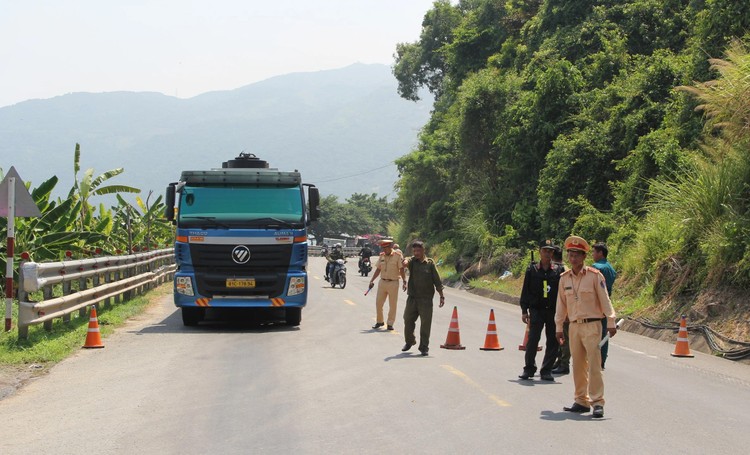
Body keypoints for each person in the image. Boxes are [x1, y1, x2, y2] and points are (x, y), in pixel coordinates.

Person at [555, 236, 617, 418]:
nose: (573, 258)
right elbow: (561, 304)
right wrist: (559, 326)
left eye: (577, 255)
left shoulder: (594, 276)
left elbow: (605, 300)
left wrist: (611, 321)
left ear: (583, 257)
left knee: (594, 365)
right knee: (578, 365)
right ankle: (581, 400)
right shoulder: (564, 279)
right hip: (574, 326)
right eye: (570, 255)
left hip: (592, 325)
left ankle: (597, 402)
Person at [518, 240, 564, 381]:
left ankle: (546, 370)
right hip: (536, 310)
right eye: (545, 250)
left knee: (552, 341)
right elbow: (526, 290)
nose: (547, 253)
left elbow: (563, 293)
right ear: (540, 251)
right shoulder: (532, 270)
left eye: (550, 251)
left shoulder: (558, 270)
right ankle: (529, 369)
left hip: (552, 311)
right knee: (532, 340)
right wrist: (524, 310)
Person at [401, 240, 445, 356]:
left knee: (425, 324)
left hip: (426, 300)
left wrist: (441, 295)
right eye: (414, 251)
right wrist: (404, 262)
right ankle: (410, 341)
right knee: (407, 319)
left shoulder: (430, 264)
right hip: (412, 298)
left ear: (423, 250)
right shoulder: (412, 261)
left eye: (418, 251)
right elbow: (406, 261)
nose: (416, 253)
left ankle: (424, 347)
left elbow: (437, 280)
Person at [368, 239, 405, 330]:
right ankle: (379, 321)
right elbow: (378, 269)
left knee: (392, 304)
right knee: (379, 303)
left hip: (393, 282)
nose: (384, 250)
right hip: (382, 282)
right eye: (383, 248)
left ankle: (390, 323)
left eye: (386, 248)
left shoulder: (397, 256)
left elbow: (401, 269)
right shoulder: (382, 256)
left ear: (391, 247)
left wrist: (405, 281)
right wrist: (372, 280)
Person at [591, 242, 617, 369]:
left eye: (594, 252)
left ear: (600, 253)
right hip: (607, 303)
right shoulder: (611, 268)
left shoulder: (596, 267)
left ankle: (594, 360)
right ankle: (602, 360)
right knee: (604, 333)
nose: (592, 255)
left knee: (593, 333)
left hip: (595, 304)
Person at [551, 245, 570, 375]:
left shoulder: (562, 271)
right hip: (559, 309)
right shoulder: (564, 269)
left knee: (565, 339)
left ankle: (564, 364)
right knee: (559, 337)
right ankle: (559, 361)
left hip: (564, 310)